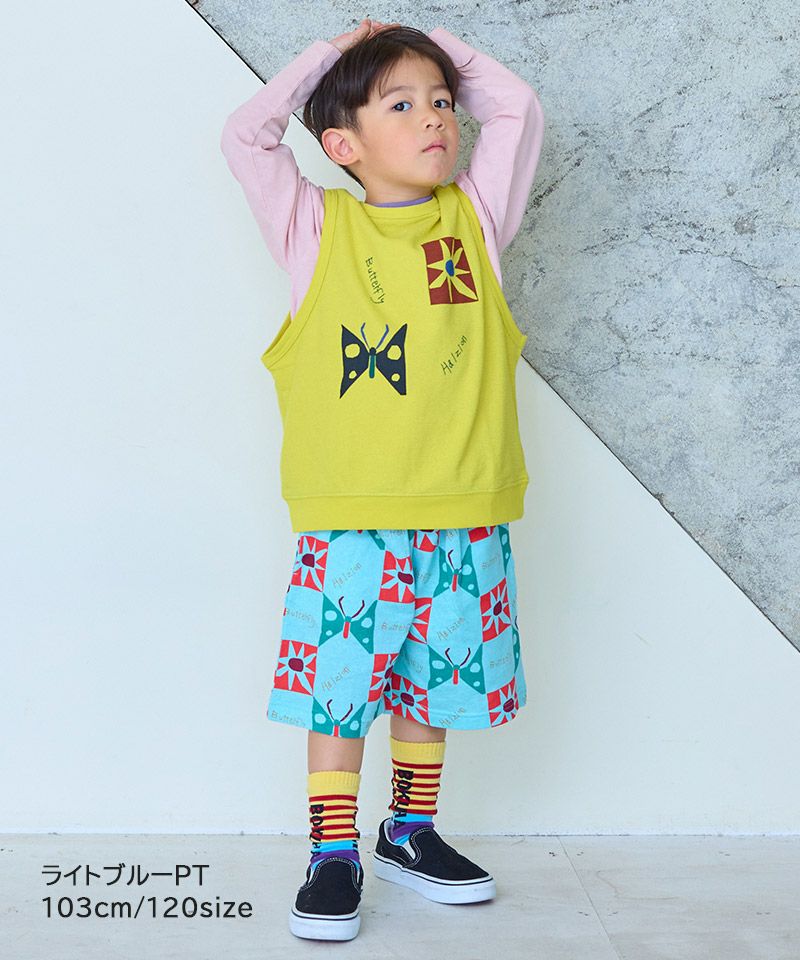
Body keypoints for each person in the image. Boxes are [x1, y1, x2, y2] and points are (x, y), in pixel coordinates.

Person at [220, 17, 545, 941]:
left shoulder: (475, 222)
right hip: (350, 518)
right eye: (401, 105)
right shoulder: (316, 227)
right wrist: (333, 54)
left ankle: (409, 832)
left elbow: (516, 108)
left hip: (464, 510)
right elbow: (246, 135)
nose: (436, 117)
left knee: (432, 684)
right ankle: (332, 851)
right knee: (339, 687)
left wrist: (433, 43)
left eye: (442, 102)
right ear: (341, 145)